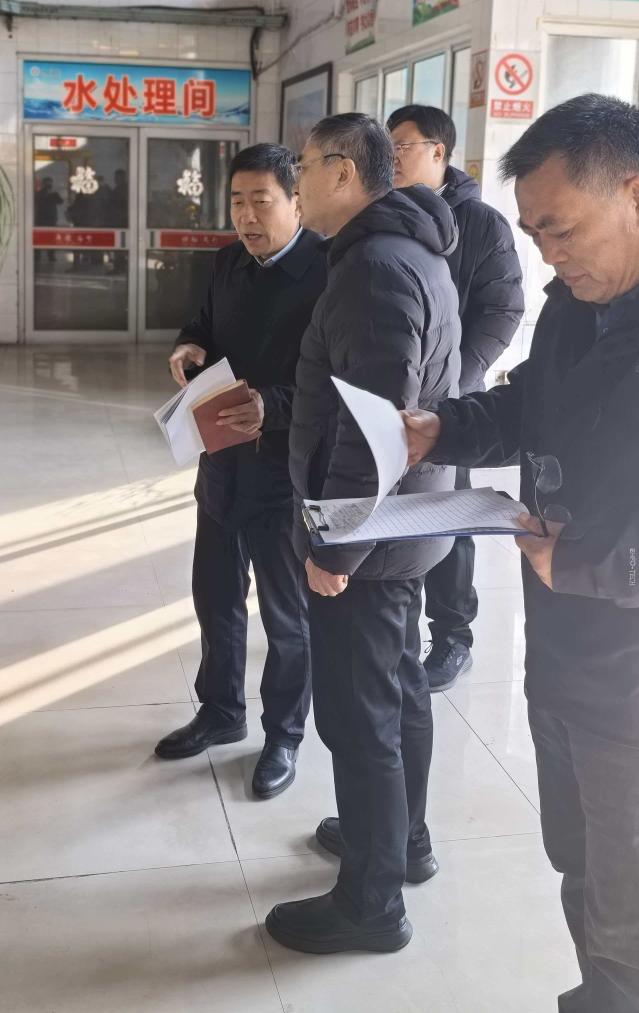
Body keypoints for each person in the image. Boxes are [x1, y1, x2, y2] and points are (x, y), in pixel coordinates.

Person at [403, 95, 639, 1013]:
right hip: (569, 654)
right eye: (533, 233)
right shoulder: (583, 297)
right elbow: (539, 401)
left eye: (559, 230)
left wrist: (601, 559)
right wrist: (443, 427)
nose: (546, 256)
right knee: (589, 883)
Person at [264, 113, 460, 956]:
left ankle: (372, 902)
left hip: (369, 537)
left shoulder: (375, 267)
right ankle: (402, 839)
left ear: (343, 171)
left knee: (361, 713)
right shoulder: (402, 251)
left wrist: (335, 548)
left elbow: (371, 430)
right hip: (404, 524)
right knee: (399, 688)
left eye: (303, 166)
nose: (296, 181)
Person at [155, 143, 328, 801]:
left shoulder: (327, 271)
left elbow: (336, 380)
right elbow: (203, 325)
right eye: (236, 201)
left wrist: (272, 407)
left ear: (296, 201)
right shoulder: (227, 262)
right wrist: (189, 344)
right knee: (215, 597)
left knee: (286, 616)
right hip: (221, 464)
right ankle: (221, 710)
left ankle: (283, 733)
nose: (247, 216)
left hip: (284, 473)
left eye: (262, 201)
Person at [388, 104, 524, 689]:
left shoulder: (481, 223)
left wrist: (454, 387)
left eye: (403, 145)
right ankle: (393, 626)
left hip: (453, 405)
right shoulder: (384, 215)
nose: (392, 156)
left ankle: (452, 637)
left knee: (450, 518)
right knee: (395, 514)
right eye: (387, 147)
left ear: (438, 152)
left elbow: (503, 309)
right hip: (392, 397)